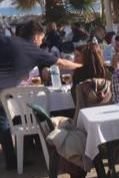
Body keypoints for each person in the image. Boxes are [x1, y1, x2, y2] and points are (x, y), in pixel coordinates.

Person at [0, 32, 81, 170]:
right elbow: (61, 63)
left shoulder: (9, 41)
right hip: (4, 90)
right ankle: (14, 160)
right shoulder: (32, 49)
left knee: (4, 122)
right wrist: (82, 65)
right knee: (3, 122)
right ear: (35, 36)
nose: (41, 41)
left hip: (5, 91)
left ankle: (12, 159)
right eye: (41, 38)